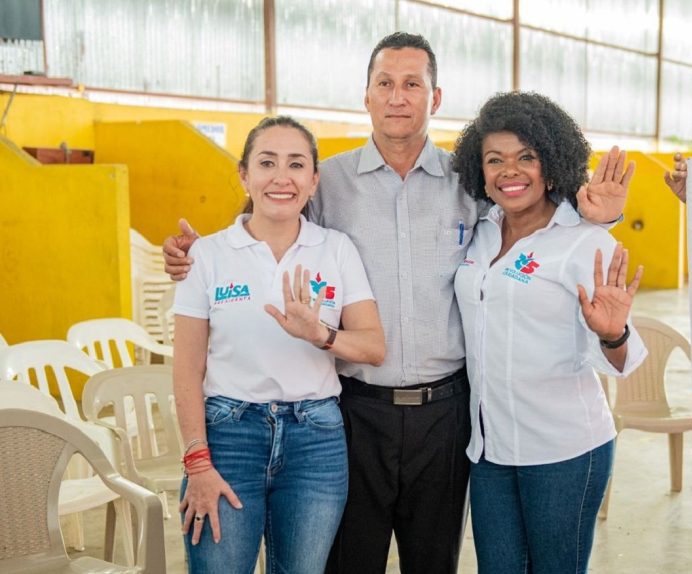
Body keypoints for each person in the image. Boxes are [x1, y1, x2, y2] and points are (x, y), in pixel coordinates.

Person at [164, 33, 632, 574]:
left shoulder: (471, 182)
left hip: (447, 413)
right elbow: (264, 220)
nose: (398, 96)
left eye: (413, 84)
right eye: (384, 83)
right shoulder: (326, 181)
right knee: (348, 562)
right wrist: (194, 255)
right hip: (354, 410)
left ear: (435, 99)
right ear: (366, 96)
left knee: (433, 562)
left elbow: (532, 217)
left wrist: (595, 218)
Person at [173, 115, 385, 574]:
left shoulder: (336, 249)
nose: (281, 177)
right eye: (267, 163)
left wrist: (320, 334)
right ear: (245, 175)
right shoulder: (207, 256)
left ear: (314, 180)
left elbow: (373, 347)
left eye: (296, 164)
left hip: (317, 442)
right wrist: (197, 462)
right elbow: (186, 369)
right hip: (228, 436)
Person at [451, 91, 648, 574]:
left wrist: (612, 333)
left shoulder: (584, 241)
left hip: (564, 452)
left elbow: (624, 360)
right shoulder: (479, 230)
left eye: (526, 157)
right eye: (494, 160)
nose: (509, 171)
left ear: (551, 162)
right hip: (489, 449)